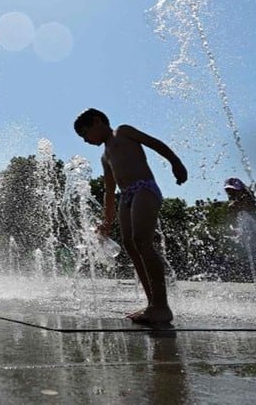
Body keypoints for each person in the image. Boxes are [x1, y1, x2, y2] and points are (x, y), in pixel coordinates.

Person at [74, 108, 187, 325]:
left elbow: (155, 144)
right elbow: (109, 191)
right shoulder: (105, 155)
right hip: (126, 196)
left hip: (144, 189)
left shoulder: (123, 132)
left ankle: (162, 307)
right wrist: (106, 222)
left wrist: (176, 162)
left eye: (85, 134)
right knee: (130, 244)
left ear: (97, 122)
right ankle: (152, 304)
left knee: (142, 241)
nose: (85, 141)